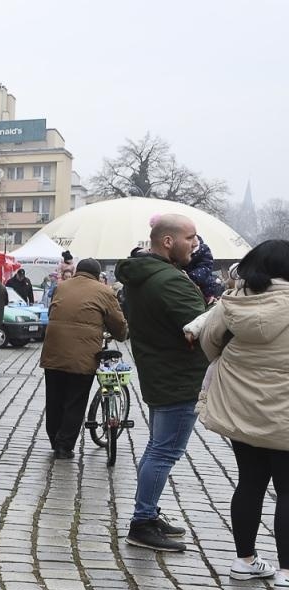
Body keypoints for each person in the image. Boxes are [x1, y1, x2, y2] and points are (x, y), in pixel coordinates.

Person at [191, 239, 289, 590]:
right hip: (285, 414)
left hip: (241, 406)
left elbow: (209, 342)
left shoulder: (234, 301)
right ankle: (285, 573)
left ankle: (244, 560)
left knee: (250, 482)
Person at [116, 212, 207, 552]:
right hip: (178, 377)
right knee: (164, 451)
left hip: (161, 373)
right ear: (168, 241)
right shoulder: (169, 280)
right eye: (191, 238)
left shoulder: (145, 275)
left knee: (158, 447)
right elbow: (198, 328)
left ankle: (148, 514)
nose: (196, 245)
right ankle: (142, 522)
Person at [39, 259, 127, 460]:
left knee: (54, 398)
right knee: (75, 400)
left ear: (78, 272)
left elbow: (54, 312)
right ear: (97, 275)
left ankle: (54, 439)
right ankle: (64, 446)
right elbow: (117, 323)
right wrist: (122, 334)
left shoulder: (61, 287)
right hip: (82, 357)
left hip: (53, 352)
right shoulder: (104, 291)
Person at [184, 235, 224, 305]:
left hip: (203, 282)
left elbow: (206, 266)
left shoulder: (203, 250)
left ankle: (209, 301)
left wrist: (192, 276)